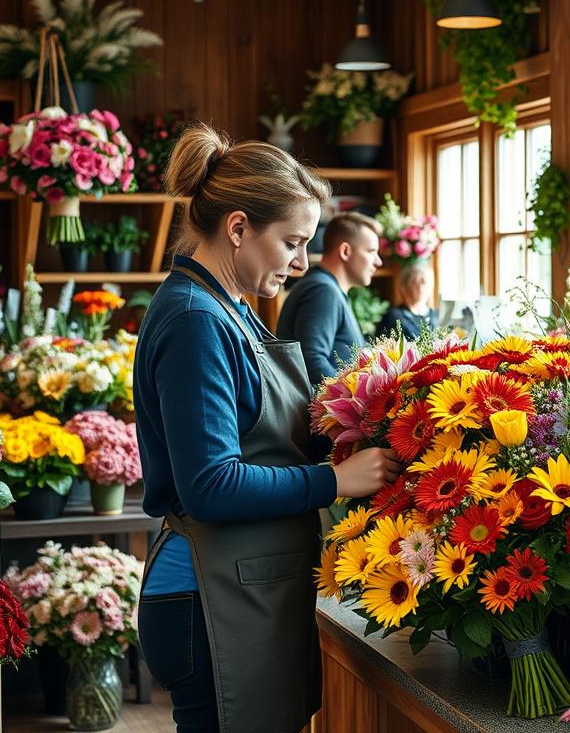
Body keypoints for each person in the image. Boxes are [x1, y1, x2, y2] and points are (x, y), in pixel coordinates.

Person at [133, 123, 401, 732]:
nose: (304, 263)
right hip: (209, 600)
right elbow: (210, 484)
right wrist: (334, 481)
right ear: (237, 229)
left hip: (241, 587)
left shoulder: (230, 310)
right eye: (292, 242)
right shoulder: (197, 320)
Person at [277, 212, 382, 385]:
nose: (378, 262)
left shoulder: (327, 288)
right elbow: (312, 361)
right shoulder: (323, 291)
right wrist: (353, 405)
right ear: (345, 251)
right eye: (371, 251)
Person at [376, 263, 438, 340]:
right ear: (404, 287)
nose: (420, 287)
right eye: (414, 282)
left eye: (424, 281)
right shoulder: (393, 316)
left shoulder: (437, 316)